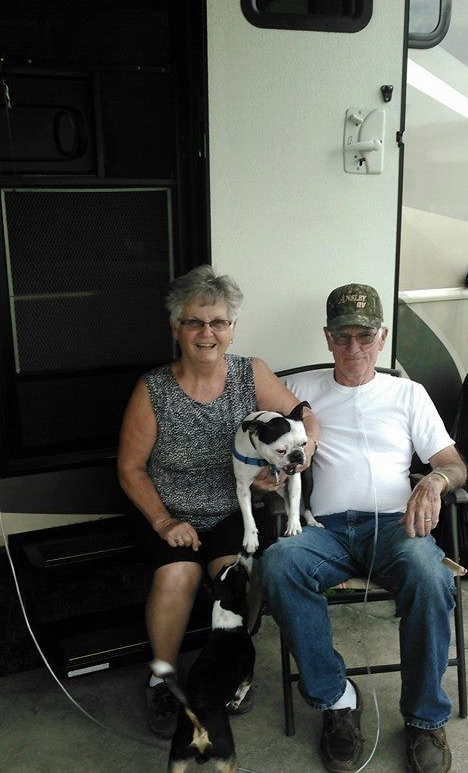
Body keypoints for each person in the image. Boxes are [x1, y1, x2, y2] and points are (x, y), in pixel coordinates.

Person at [261, 283, 467, 773]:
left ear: (383, 337)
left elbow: (452, 463)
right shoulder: (300, 392)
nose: (354, 348)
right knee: (279, 563)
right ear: (328, 339)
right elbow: (253, 424)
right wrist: (271, 470)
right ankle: (337, 700)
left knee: (428, 574)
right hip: (325, 530)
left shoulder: (407, 393)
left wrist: (435, 482)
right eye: (343, 337)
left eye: (365, 336)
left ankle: (425, 720)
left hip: (395, 527)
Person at [117, 264, 319, 737]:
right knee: (179, 574)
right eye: (194, 321)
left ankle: (234, 663)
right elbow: (129, 468)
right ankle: (162, 678)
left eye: (218, 322)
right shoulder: (153, 390)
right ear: (176, 328)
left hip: (234, 509)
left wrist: (291, 462)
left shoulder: (252, 373)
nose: (207, 333)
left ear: (232, 329)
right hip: (170, 513)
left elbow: (305, 422)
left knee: (238, 577)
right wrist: (165, 521)